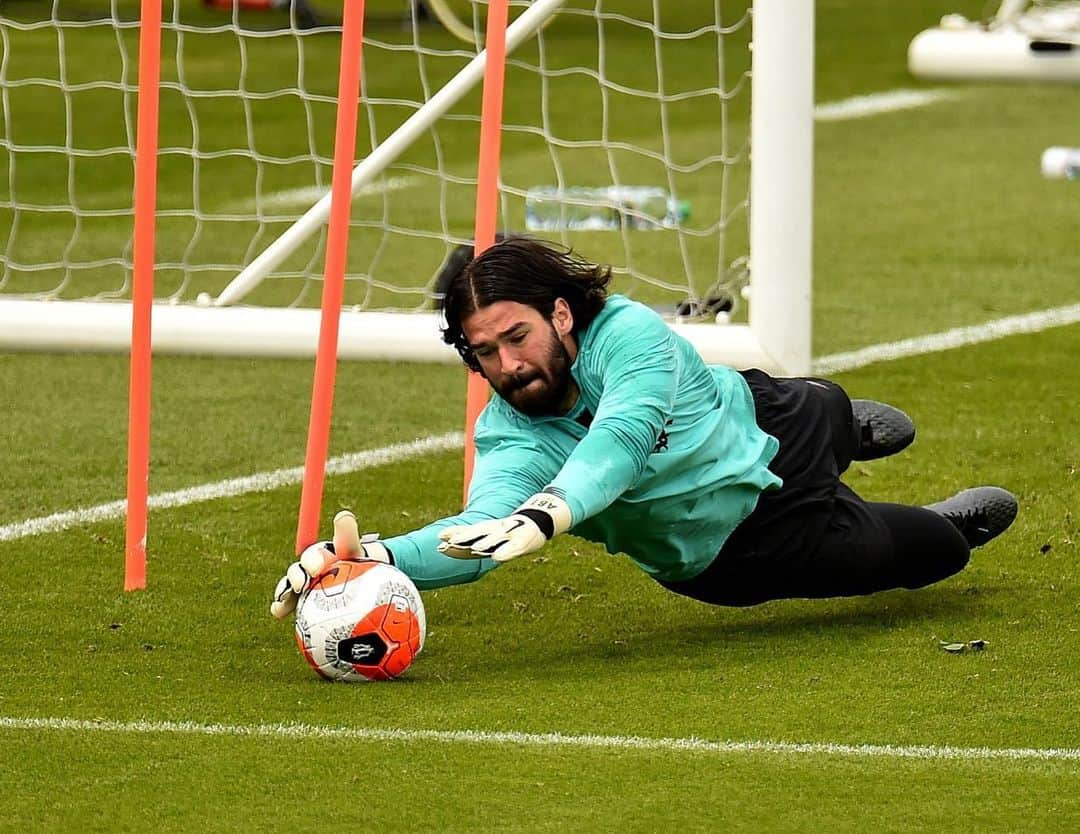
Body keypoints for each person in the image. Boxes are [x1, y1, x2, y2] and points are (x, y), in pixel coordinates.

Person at [271, 236, 1018, 618]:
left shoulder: (627, 332)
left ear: (560, 314)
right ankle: (939, 520)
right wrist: (372, 557)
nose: (507, 364)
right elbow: (476, 533)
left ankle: (843, 433)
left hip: (763, 425)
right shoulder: (510, 436)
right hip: (735, 548)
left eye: (517, 336)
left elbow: (621, 440)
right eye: (484, 351)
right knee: (932, 553)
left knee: (819, 401)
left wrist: (550, 512)